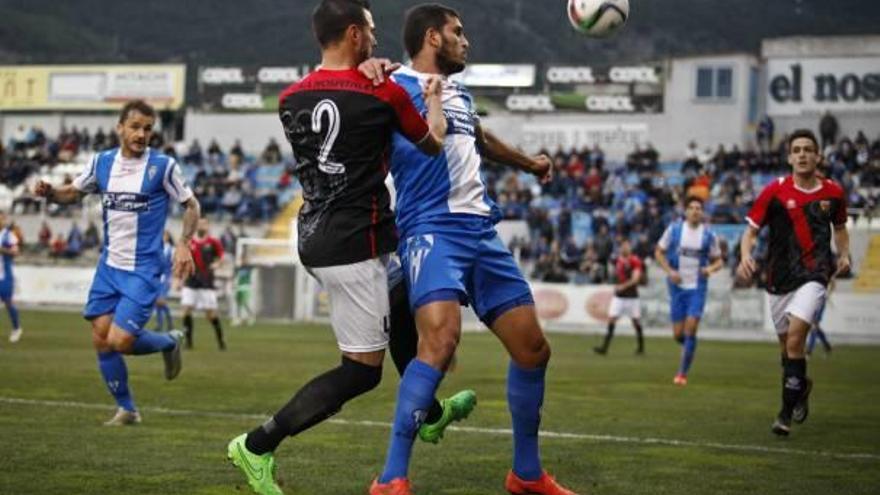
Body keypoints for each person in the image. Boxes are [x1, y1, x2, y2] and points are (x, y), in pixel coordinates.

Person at [224, 2, 452, 494]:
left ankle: (430, 411)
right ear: (353, 33)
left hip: (315, 235)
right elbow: (433, 141)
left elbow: (340, 125)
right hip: (354, 245)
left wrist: (376, 76)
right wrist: (430, 94)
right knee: (360, 373)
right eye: (370, 31)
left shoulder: (290, 98)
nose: (375, 38)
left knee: (400, 300)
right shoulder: (383, 92)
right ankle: (258, 445)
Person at [367, 5, 577, 495]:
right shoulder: (391, 86)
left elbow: (478, 139)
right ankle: (391, 478)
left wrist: (528, 163)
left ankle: (526, 474)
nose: (467, 41)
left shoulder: (457, 91)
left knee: (533, 350)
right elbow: (352, 86)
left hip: (481, 233)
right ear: (432, 37)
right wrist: (367, 65)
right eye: (458, 33)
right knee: (439, 344)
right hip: (430, 230)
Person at [34, 99, 199, 425]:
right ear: (120, 128)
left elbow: (191, 205)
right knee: (100, 337)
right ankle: (127, 409)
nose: (142, 134)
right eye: (135, 127)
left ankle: (169, 341)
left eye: (148, 129)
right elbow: (74, 193)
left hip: (143, 268)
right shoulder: (102, 163)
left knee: (120, 341)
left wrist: (183, 244)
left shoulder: (162, 166)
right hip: (109, 266)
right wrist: (52, 193)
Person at [737, 129, 850, 437]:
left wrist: (844, 254)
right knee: (788, 353)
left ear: (817, 156)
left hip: (814, 276)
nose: (802, 154)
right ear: (789, 157)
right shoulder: (774, 191)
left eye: (808, 149)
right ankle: (801, 386)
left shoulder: (833, 193)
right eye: (796, 149)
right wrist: (745, 255)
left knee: (796, 340)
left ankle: (784, 416)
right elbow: (750, 231)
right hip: (778, 279)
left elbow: (839, 228)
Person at [654, 197, 723, 385]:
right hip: (676, 287)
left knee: (691, 327)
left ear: (702, 212)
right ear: (685, 211)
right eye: (691, 207)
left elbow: (719, 260)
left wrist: (709, 269)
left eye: (698, 208)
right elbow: (658, 251)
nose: (694, 211)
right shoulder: (674, 230)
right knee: (678, 334)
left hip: (697, 288)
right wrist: (669, 271)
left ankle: (682, 374)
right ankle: (690, 348)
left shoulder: (709, 235)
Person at [593, 238, 644, 356]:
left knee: (636, 321)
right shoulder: (617, 260)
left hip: (632, 297)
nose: (625, 248)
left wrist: (623, 286)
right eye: (623, 246)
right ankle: (604, 348)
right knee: (611, 319)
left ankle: (641, 348)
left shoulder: (635, 261)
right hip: (619, 297)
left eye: (627, 246)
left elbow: (636, 279)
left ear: (630, 248)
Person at [181, 218, 226, 350]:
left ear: (208, 226)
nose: (201, 226)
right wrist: (181, 278)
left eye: (204, 224)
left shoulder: (213, 242)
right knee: (186, 310)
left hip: (206, 282)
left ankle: (221, 340)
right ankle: (188, 342)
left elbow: (221, 257)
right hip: (191, 281)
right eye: (199, 224)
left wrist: (217, 264)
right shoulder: (190, 242)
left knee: (210, 314)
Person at [0, 211, 23, 343]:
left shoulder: (9, 236)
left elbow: (15, 252)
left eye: (1, 219)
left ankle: (16, 328)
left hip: (4, 275)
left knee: (8, 302)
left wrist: (2, 250)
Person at [153, 230, 175, 332]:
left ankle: (167, 322)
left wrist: (171, 278)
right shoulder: (157, 248)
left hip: (165, 278)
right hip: (157, 278)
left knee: (161, 301)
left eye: (165, 235)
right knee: (157, 302)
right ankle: (161, 324)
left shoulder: (171, 249)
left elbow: (172, 265)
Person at [806, 279, 834, 358]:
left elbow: (832, 281)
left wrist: (828, 294)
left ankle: (809, 352)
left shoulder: (824, 269)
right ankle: (827, 346)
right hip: (811, 301)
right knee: (814, 326)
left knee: (814, 326)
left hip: (820, 301)